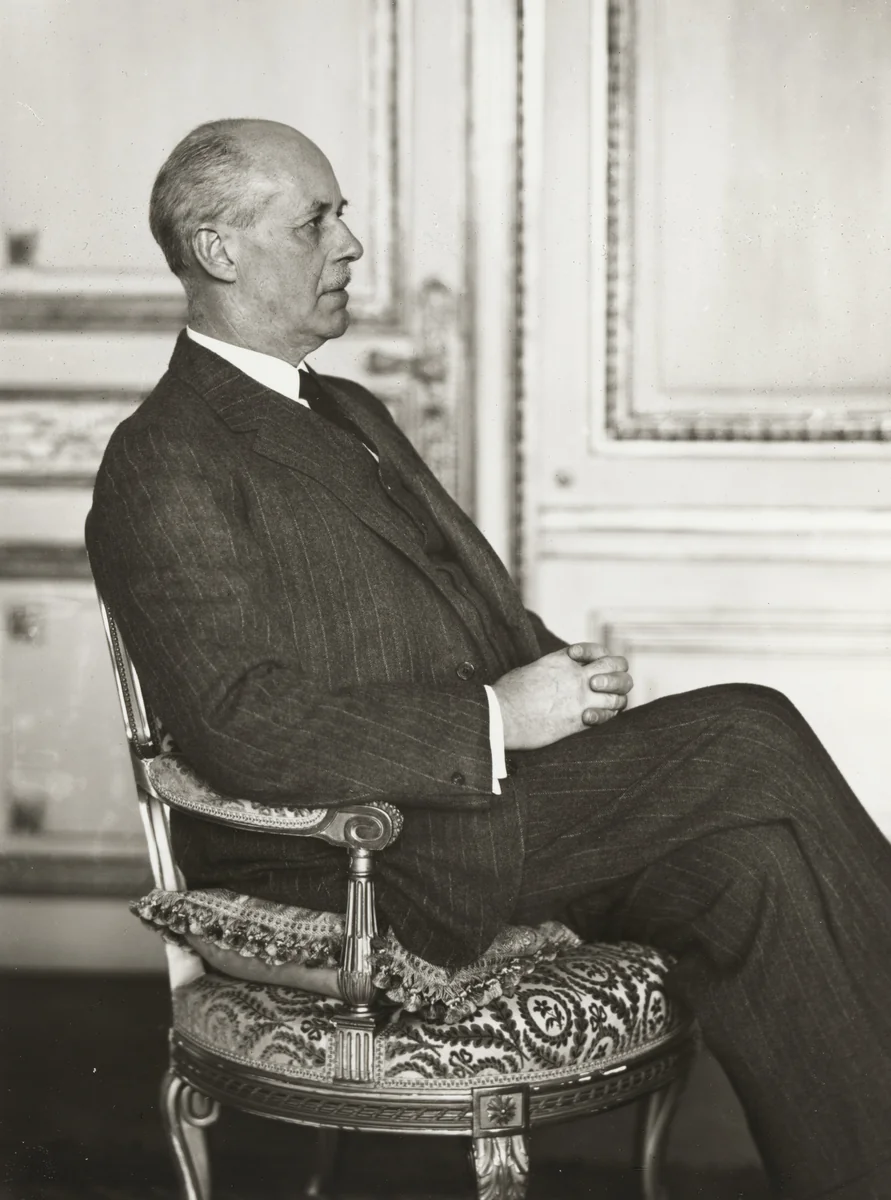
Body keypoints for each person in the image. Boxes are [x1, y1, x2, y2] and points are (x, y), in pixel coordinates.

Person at [86, 119, 891, 1200]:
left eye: (343, 215)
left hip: (466, 816)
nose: (351, 244)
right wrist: (501, 719)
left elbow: (473, 604)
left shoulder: (348, 406)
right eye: (317, 220)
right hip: (352, 853)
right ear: (219, 250)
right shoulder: (164, 457)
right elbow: (242, 723)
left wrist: (561, 673)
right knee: (750, 726)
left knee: (752, 874)